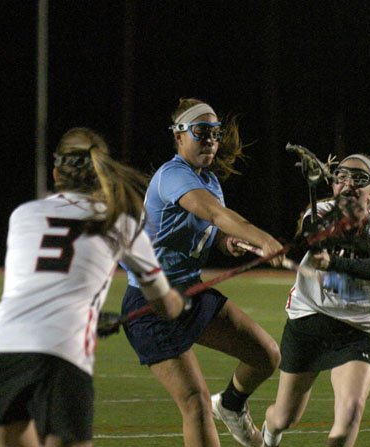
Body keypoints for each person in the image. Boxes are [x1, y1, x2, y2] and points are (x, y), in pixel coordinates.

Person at [0, 127, 186, 447]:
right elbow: (164, 306)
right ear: (103, 175)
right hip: (61, 353)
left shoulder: (23, 214)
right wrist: (182, 302)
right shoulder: (119, 220)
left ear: (57, 173)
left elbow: (42, 286)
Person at [120, 98, 283, 447]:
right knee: (194, 403)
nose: (210, 139)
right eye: (201, 131)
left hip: (190, 293)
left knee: (266, 356)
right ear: (179, 136)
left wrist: (228, 244)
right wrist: (261, 238)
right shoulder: (173, 174)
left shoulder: (207, 179)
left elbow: (209, 230)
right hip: (152, 306)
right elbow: (215, 215)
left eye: (215, 133)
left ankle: (231, 405)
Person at [261, 154, 370, 447]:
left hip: (356, 329)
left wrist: (334, 263)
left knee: (349, 416)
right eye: (341, 177)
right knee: (284, 417)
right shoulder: (320, 210)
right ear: (332, 184)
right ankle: (270, 432)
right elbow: (316, 232)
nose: (349, 184)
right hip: (309, 318)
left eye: (359, 180)